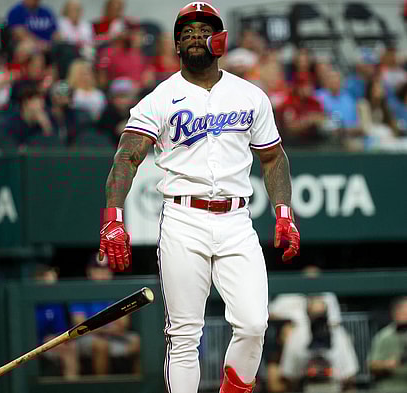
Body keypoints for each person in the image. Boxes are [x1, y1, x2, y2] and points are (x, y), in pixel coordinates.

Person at [97, 3, 300, 393]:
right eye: (185, 32)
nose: (193, 36)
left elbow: (273, 157)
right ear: (176, 45)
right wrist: (112, 217)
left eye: (202, 29)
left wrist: (284, 213)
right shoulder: (159, 97)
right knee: (185, 333)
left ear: (219, 39)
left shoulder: (249, 96)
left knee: (254, 323)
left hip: (237, 221)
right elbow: (127, 157)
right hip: (183, 219)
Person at [69, 253, 141, 375]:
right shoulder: (81, 292)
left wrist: (100, 328)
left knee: (137, 341)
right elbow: (80, 326)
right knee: (101, 345)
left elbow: (123, 325)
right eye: (98, 270)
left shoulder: (117, 291)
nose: (102, 274)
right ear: (90, 271)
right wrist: (108, 328)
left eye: (105, 270)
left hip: (114, 337)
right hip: (87, 339)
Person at [280, 296, 359, 393]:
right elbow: (289, 375)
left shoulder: (338, 334)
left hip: (334, 386)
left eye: (321, 315)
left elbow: (349, 374)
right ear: (308, 314)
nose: (318, 321)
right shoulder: (297, 335)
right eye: (315, 315)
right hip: (307, 387)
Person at [368, 296, 407, 393]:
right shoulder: (385, 336)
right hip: (390, 387)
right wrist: (387, 364)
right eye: (405, 313)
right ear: (396, 314)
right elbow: (371, 365)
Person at [96, 77, 139, 146]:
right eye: (118, 96)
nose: (121, 100)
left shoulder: (137, 112)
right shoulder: (107, 114)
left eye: (124, 96)